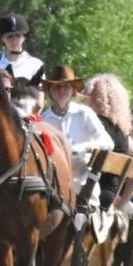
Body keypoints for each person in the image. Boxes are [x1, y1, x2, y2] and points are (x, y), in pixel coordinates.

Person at [39, 65, 113, 212]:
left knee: (86, 213)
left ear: (73, 90)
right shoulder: (43, 120)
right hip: (53, 181)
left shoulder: (84, 113)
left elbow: (108, 143)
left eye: (65, 87)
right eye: (56, 87)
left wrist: (84, 147)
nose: (61, 91)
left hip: (82, 178)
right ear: (49, 91)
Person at [84, 73, 133, 210]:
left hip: (88, 193)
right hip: (108, 195)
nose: (84, 101)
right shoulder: (122, 131)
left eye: (87, 96)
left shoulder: (94, 125)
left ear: (97, 100)